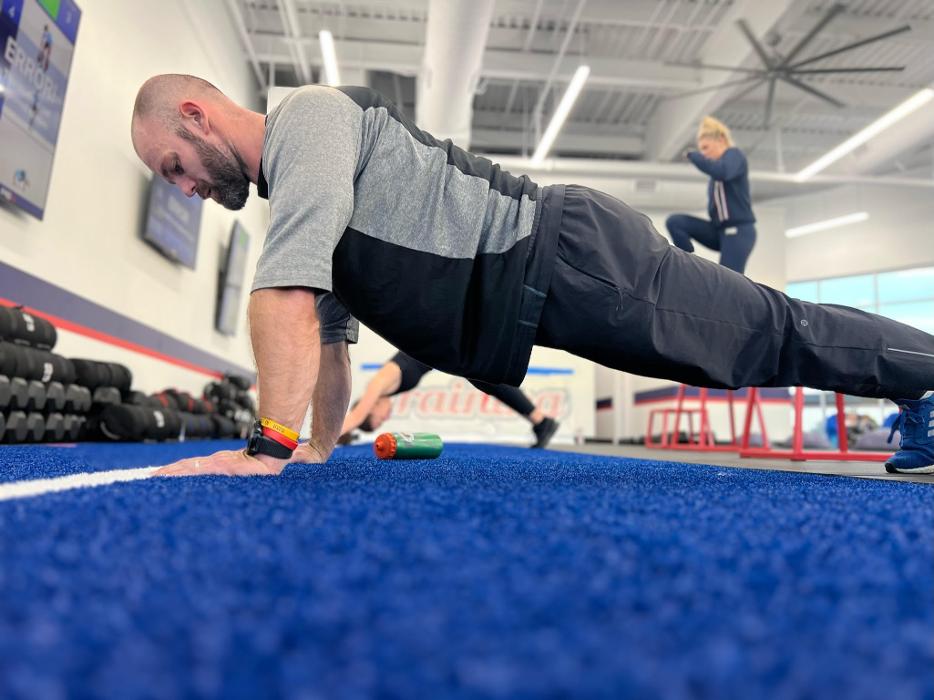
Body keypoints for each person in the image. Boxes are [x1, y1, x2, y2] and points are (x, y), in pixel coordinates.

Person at [129, 75, 934, 476]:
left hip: (572, 257)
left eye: (175, 167)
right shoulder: (306, 194)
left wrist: (265, 449)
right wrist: (315, 446)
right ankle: (918, 395)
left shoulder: (306, 122)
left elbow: (285, 298)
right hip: (556, 285)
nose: (186, 189)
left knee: (769, 334)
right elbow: (327, 344)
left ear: (197, 116)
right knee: (743, 354)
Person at [338, 351, 560, 448]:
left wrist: (325, 439)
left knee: (485, 376)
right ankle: (541, 421)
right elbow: (358, 417)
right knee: (484, 377)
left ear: (371, 407)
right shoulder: (385, 388)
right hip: (440, 351)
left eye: (379, 420)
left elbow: (355, 416)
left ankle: (541, 421)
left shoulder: (379, 382)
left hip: (439, 342)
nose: (386, 418)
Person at [666, 117, 756, 274]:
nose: (704, 154)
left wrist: (694, 156)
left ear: (721, 140)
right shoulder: (715, 176)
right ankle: (687, 266)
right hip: (718, 231)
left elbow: (722, 172)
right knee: (675, 222)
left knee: (727, 280)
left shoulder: (734, 155)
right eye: (701, 150)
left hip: (738, 231)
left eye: (706, 148)